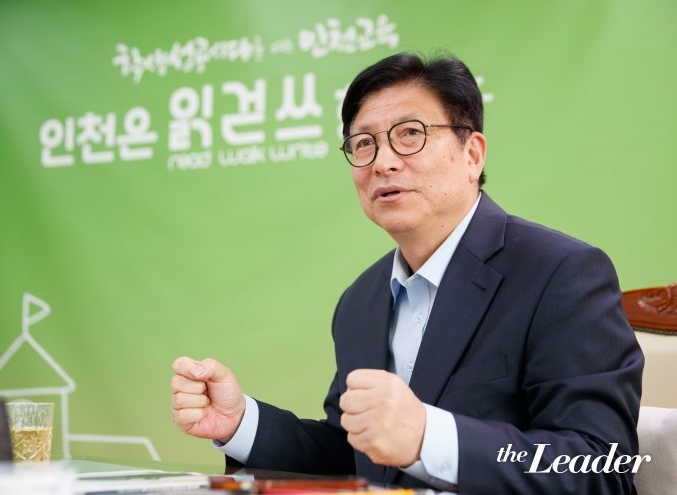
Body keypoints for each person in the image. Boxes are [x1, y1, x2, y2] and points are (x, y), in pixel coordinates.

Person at [171, 53, 643, 494]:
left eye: (410, 134)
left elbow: (602, 466)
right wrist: (242, 424)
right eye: (364, 143)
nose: (383, 162)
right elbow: (354, 455)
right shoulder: (360, 300)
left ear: (472, 154)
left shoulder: (560, 273)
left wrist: (428, 438)